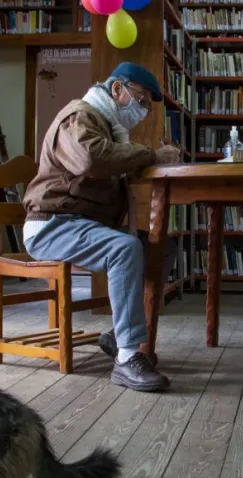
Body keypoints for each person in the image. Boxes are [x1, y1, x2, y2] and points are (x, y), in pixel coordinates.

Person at [23, 62, 181, 392]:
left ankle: (118, 334)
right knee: (124, 249)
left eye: (146, 107)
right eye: (139, 100)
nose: (141, 111)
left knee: (161, 244)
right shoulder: (78, 116)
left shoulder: (108, 127)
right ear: (116, 89)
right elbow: (91, 159)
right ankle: (126, 358)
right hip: (52, 225)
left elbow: (110, 160)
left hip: (78, 224)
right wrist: (151, 155)